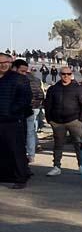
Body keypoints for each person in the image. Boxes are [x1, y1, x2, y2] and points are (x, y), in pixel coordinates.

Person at [43, 65, 82, 177]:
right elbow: (48, 104)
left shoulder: (78, 88)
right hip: (57, 122)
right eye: (63, 74)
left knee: (78, 144)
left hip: (74, 120)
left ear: (71, 75)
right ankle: (56, 166)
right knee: (58, 144)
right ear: (60, 75)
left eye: (68, 74)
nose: (66, 76)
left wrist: (81, 119)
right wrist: (49, 119)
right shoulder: (53, 89)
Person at [0, 53, 33, 189]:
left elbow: (25, 98)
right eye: (0, 63)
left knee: (16, 150)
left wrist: (12, 110)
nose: (3, 65)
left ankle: (21, 178)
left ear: (10, 63)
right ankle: (5, 175)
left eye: (5, 62)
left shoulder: (19, 79)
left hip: (13, 120)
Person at [14, 60, 44, 163]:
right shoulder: (36, 80)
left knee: (26, 131)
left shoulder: (20, 81)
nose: (23, 73)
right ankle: (31, 154)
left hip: (25, 109)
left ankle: (27, 153)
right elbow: (41, 94)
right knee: (31, 131)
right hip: (33, 108)